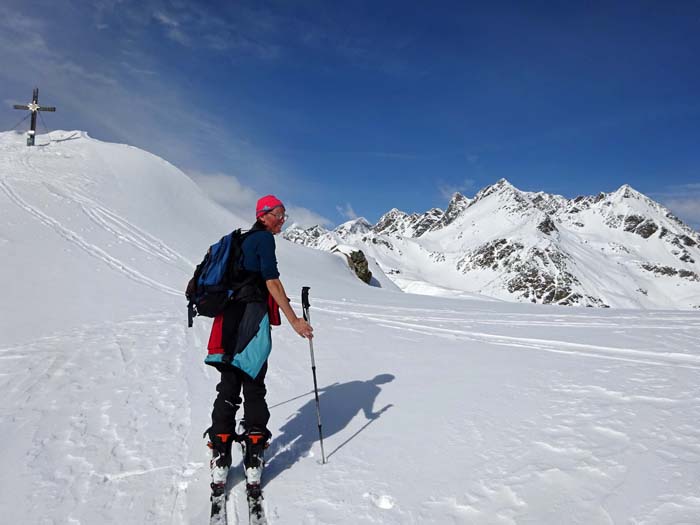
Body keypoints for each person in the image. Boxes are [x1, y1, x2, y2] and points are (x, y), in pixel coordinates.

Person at [205, 194, 313, 481]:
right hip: (250, 317)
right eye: (279, 214)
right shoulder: (264, 239)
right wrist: (294, 321)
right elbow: (271, 281)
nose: (282, 220)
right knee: (253, 382)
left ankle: (220, 450)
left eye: (284, 215)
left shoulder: (241, 239)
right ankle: (253, 451)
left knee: (228, 383)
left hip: (227, 318)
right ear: (263, 214)